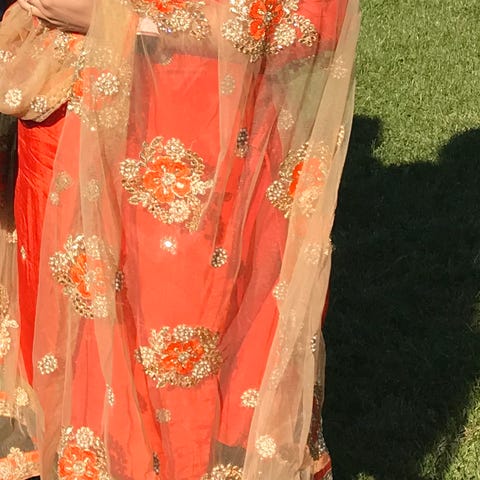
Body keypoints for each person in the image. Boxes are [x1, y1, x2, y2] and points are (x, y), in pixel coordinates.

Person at [0, 0, 360, 478]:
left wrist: (123, 18)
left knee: (182, 396)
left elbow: (314, 18)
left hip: (195, 163)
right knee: (79, 379)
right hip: (63, 137)